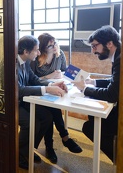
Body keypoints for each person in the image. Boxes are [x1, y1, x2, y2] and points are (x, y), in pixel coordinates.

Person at [17, 35, 68, 170]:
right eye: (36, 50)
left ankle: (27, 149)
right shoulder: (13, 65)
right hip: (12, 103)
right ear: (26, 52)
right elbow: (19, 90)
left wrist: (53, 84)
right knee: (31, 123)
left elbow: (35, 80)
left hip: (24, 100)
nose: (39, 53)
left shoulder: (26, 61)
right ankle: (17, 152)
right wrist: (47, 89)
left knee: (47, 117)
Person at [30, 33, 82, 164]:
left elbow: (66, 73)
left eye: (55, 43)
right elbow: (31, 80)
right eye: (50, 45)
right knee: (52, 111)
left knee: (52, 111)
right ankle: (62, 139)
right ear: (41, 48)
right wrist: (50, 76)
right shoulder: (35, 58)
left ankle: (52, 146)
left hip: (54, 90)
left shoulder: (60, 55)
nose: (54, 47)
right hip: (38, 93)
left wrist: (79, 78)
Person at [73, 25, 120, 162]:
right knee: (93, 118)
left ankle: (120, 159)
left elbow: (111, 94)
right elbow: (115, 81)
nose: (93, 51)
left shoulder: (120, 59)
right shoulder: (120, 55)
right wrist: (94, 82)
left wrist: (84, 89)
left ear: (109, 43)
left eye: (95, 46)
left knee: (90, 127)